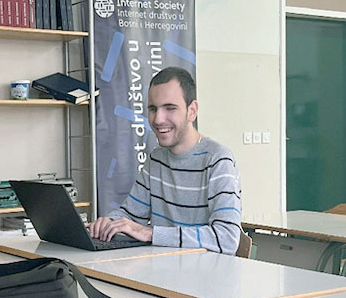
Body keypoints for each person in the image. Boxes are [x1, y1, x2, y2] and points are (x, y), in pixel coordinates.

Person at [88, 67, 242, 255]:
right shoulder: (156, 159)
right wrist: (108, 223)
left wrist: (152, 234)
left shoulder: (218, 160)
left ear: (192, 111)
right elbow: (130, 215)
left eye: (170, 108)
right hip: (163, 271)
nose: (158, 119)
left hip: (205, 278)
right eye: (153, 109)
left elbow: (226, 239)